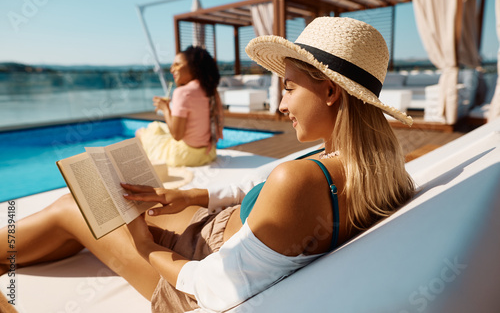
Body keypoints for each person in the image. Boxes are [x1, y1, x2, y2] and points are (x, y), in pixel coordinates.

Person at [0, 17, 415, 312]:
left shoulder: (300, 179)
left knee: (77, 209)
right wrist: (185, 194)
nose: (281, 103)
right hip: (220, 234)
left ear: (329, 92)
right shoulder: (375, 166)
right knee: (100, 210)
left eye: (288, 87)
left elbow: (211, 288)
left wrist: (140, 240)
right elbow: (261, 186)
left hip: (194, 280)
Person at [137, 45, 224, 167]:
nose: (172, 69)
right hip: (208, 153)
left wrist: (165, 109)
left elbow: (177, 136)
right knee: (156, 126)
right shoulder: (211, 91)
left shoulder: (182, 92)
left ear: (194, 67)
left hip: (186, 156)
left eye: (177, 64)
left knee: (141, 132)